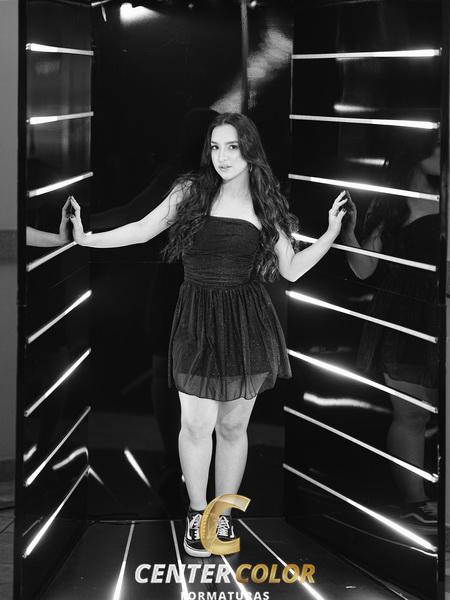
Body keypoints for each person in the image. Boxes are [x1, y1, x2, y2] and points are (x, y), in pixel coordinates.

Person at [69, 112, 348, 556]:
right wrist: (87, 239)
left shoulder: (264, 203)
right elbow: (142, 230)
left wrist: (331, 233)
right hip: (196, 318)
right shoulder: (191, 191)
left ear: (250, 150)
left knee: (233, 427)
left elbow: (292, 269)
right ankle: (197, 514)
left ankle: (223, 516)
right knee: (196, 425)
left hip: (246, 321)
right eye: (216, 147)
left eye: (232, 147)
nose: (222, 157)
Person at [341, 144, 440, 526]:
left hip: (440, 310)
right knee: (410, 414)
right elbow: (364, 268)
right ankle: (415, 501)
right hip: (406, 315)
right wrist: (348, 232)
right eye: (436, 145)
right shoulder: (391, 206)